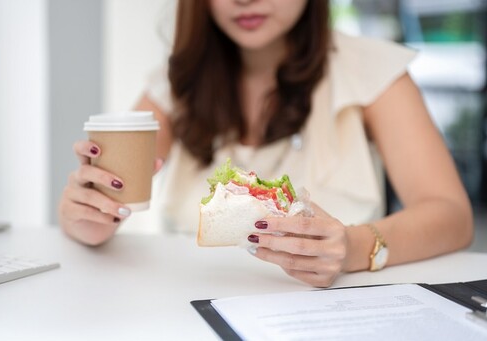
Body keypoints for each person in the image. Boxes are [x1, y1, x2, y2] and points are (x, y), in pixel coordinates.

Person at [59, 0, 473, 287]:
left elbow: (451, 216)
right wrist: (88, 216)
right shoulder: (175, 84)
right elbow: (111, 193)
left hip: (331, 313)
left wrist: (353, 248)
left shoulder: (371, 71)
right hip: (187, 315)